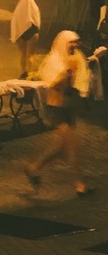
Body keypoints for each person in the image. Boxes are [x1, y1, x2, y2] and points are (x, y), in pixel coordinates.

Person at [24, 30, 92, 195]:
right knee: (72, 147)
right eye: (71, 42)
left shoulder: (75, 58)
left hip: (69, 107)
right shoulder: (54, 60)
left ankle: (33, 168)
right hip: (57, 108)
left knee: (63, 148)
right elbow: (52, 84)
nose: (75, 45)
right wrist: (66, 73)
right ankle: (79, 184)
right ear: (63, 43)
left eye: (77, 42)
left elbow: (80, 80)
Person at [10, 0, 40, 78]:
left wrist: (16, 34)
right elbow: (37, 21)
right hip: (32, 32)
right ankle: (30, 72)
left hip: (21, 34)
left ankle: (23, 71)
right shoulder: (35, 8)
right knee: (30, 54)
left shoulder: (18, 9)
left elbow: (14, 22)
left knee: (23, 54)